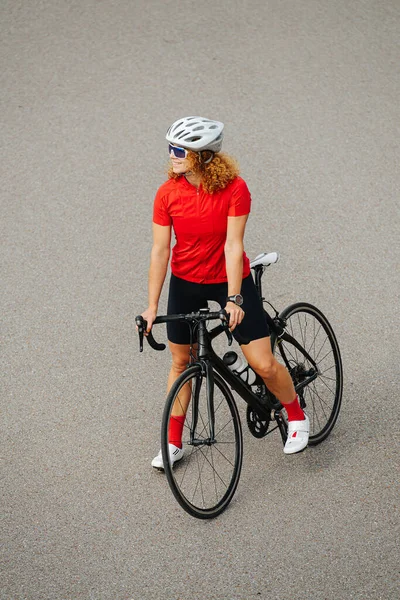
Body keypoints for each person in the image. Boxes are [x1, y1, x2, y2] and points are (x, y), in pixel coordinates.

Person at [140, 116, 309, 469]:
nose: (171, 156)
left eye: (179, 150)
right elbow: (159, 251)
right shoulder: (167, 193)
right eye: (170, 148)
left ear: (202, 156)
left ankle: (296, 416)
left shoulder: (235, 189)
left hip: (227, 278)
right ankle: (173, 442)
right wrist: (151, 306)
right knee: (180, 360)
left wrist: (234, 298)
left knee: (262, 363)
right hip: (185, 280)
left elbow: (234, 246)